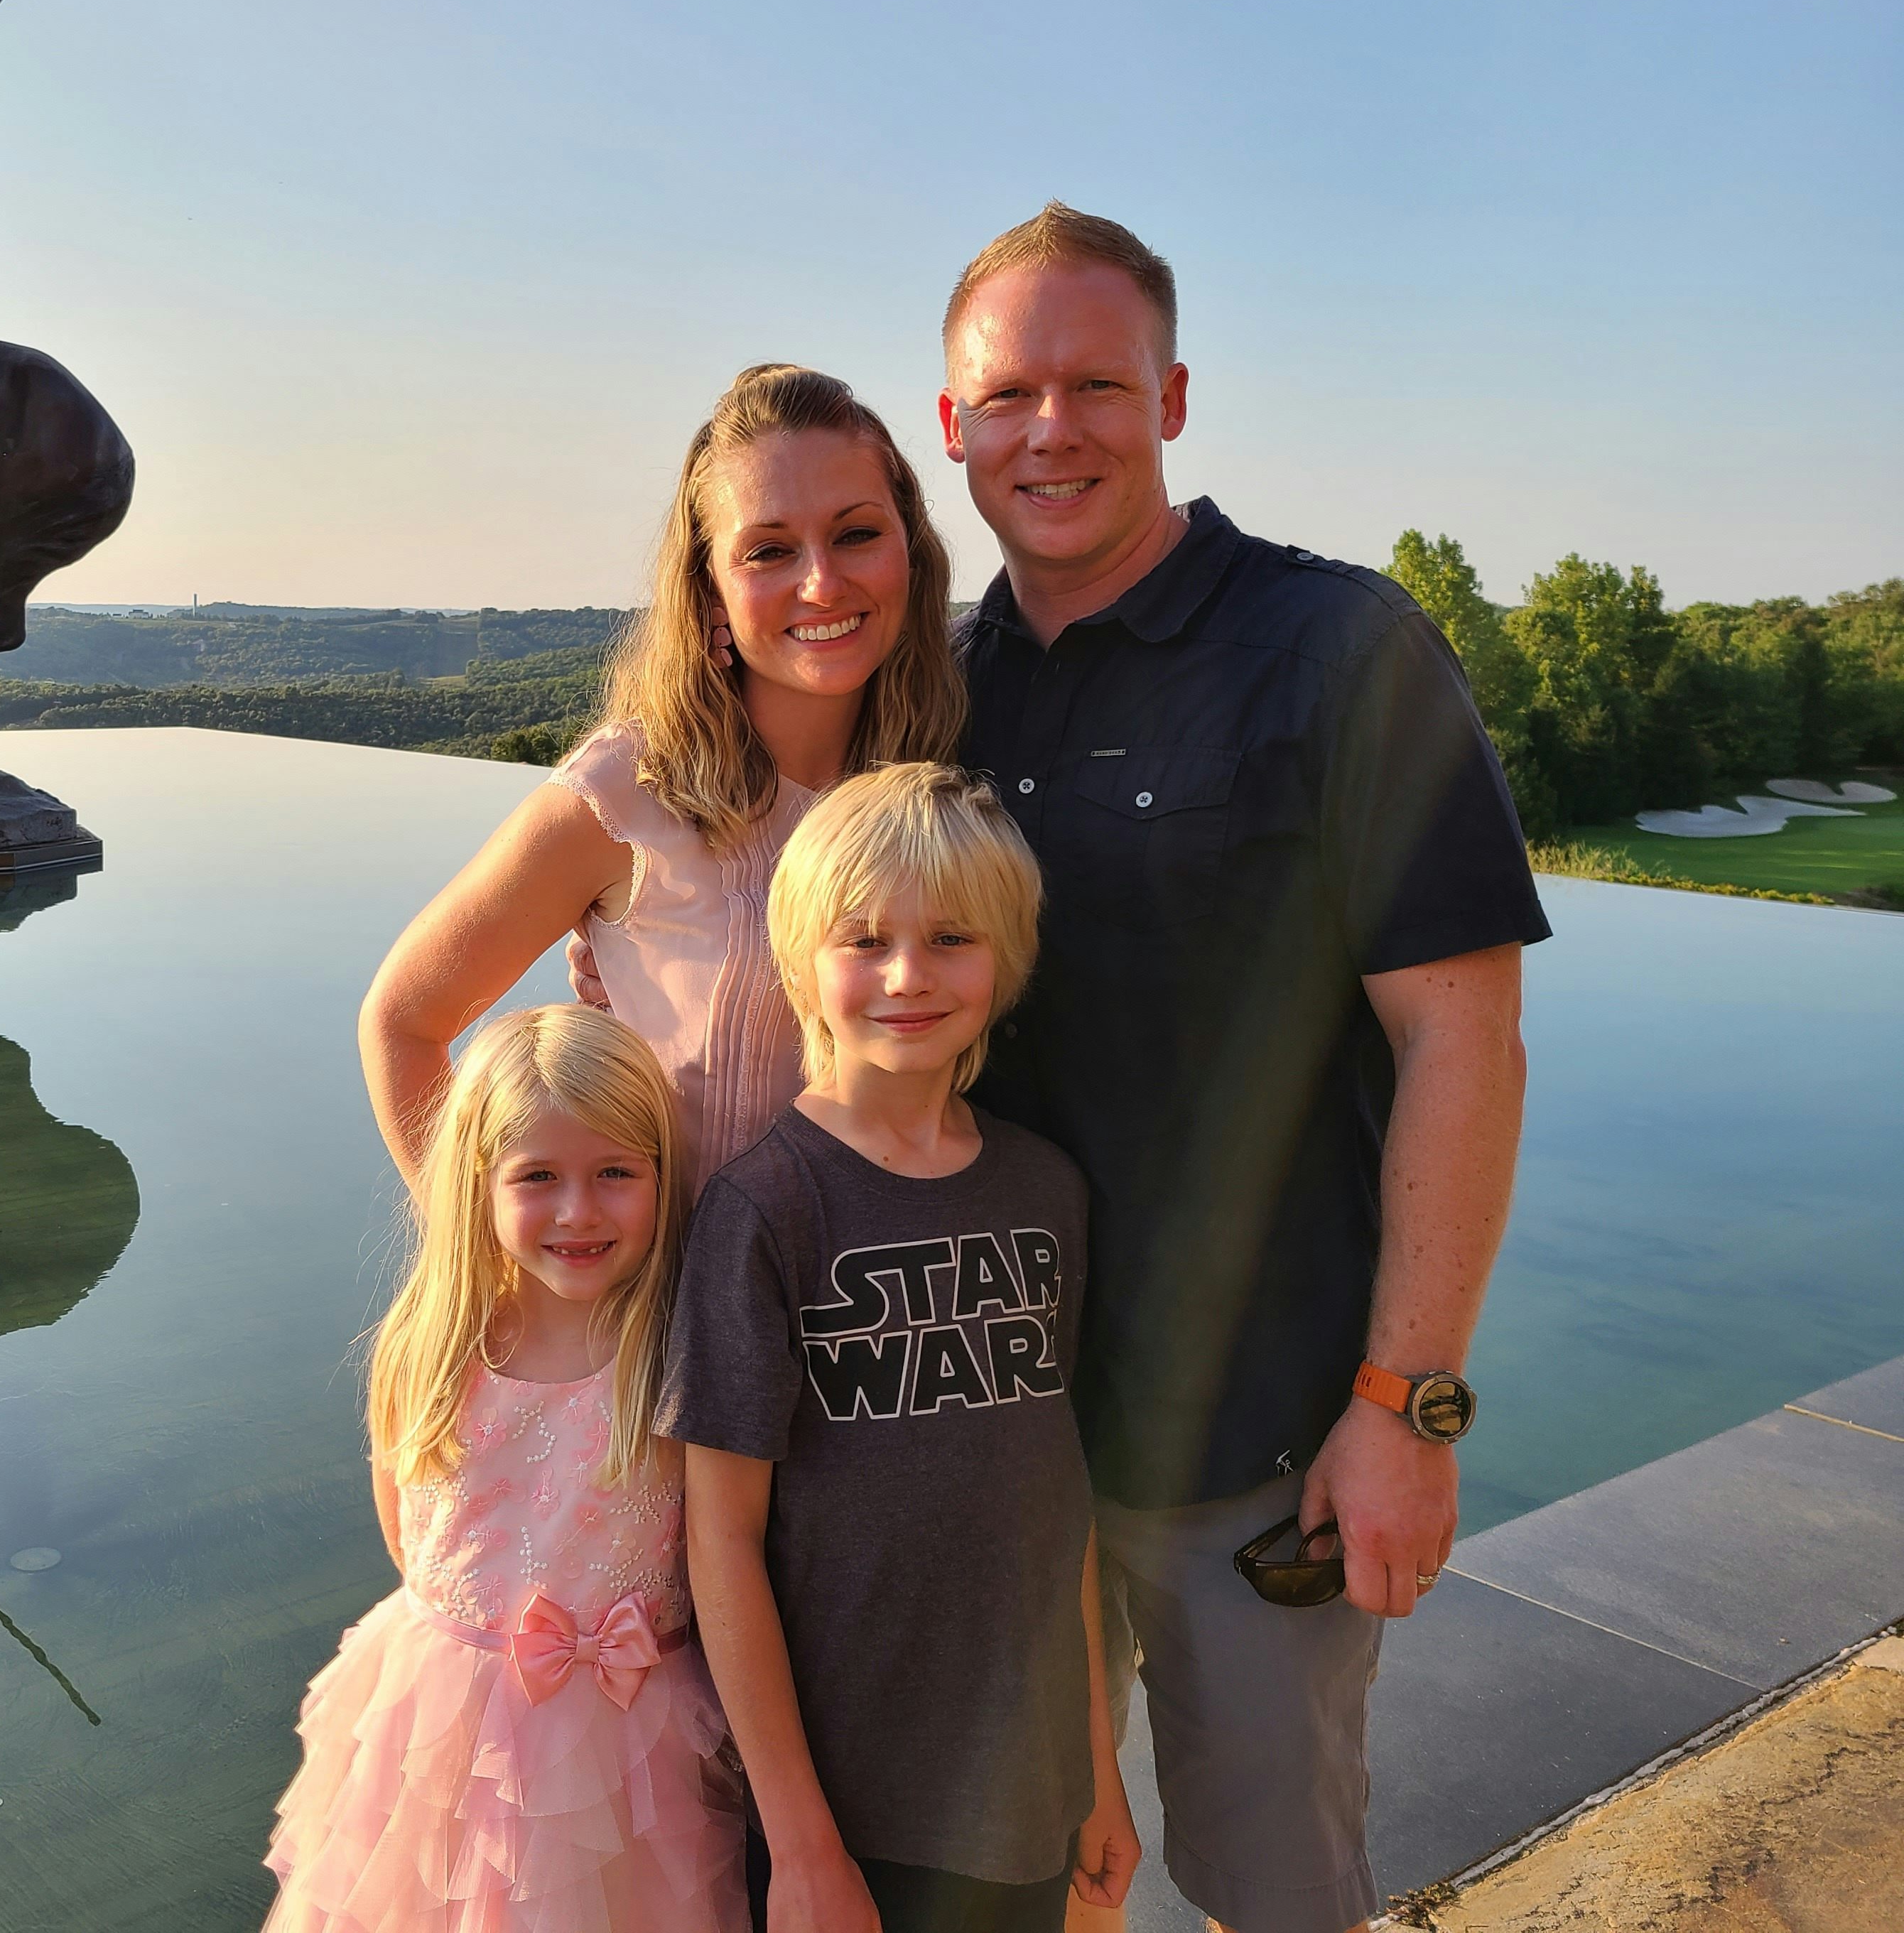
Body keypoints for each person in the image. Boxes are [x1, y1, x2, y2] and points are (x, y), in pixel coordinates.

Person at [937, 204, 1546, 1933]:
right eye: (1010, 394)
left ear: (1174, 398)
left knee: (1273, 1887)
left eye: (1096, 385)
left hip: (1260, 1445)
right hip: (993, 1443)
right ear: (952, 424)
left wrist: (1406, 1405)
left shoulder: (1338, 650)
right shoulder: (939, 688)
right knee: (1026, 1872)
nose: (1052, 429)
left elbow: (1464, 1037)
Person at [665, 762, 1140, 1933]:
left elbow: (1055, 1508)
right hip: (848, 1811)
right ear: (800, 966)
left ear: (1008, 960)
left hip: (1026, 1798)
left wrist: (1096, 1772)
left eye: (950, 937)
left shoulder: (1046, 1190)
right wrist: (802, 1842)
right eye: (863, 939)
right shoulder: (765, 1207)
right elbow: (720, 1539)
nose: (906, 974)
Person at [361, 364, 965, 1192]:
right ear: (709, 587)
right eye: (769, 550)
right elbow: (404, 1022)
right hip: (668, 1317)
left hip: (878, 1307)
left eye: (857, 534)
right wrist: (495, 1279)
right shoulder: (626, 796)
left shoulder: (945, 784)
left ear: (911, 548)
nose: (821, 581)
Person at [261, 1006, 747, 1932]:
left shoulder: (674, 1353)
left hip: (633, 1744)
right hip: (444, 1730)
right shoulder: (433, 1345)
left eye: (616, 1173)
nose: (579, 1210)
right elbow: (410, 1543)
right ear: (478, 1184)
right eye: (538, 1177)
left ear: (662, 1176)